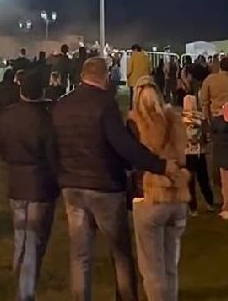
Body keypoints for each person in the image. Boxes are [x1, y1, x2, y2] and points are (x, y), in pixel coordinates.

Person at [53, 56, 179, 301]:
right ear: (104, 76)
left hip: (72, 186)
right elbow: (123, 146)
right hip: (104, 188)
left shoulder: (62, 105)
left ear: (82, 75)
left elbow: (53, 145)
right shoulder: (104, 104)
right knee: (120, 253)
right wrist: (159, 165)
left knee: (80, 255)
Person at [0, 69, 59, 300]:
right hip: (40, 188)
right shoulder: (46, 119)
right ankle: (24, 292)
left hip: (16, 185)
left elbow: (2, 149)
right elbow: (53, 156)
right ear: (41, 91)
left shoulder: (7, 116)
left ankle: (19, 277)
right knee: (33, 241)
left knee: (20, 237)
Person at [129, 78, 190, 301]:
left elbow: (132, 158)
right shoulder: (174, 119)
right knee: (170, 265)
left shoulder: (135, 122)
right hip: (178, 196)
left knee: (152, 270)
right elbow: (183, 156)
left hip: (151, 196)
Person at [182, 93, 214, 213]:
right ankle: (210, 202)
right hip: (200, 153)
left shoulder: (180, 119)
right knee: (203, 179)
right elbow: (208, 136)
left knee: (190, 182)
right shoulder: (202, 118)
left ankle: (193, 207)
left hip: (187, 154)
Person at [199, 55, 228, 120]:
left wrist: (205, 117)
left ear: (220, 67)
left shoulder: (210, 79)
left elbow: (204, 101)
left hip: (216, 114)